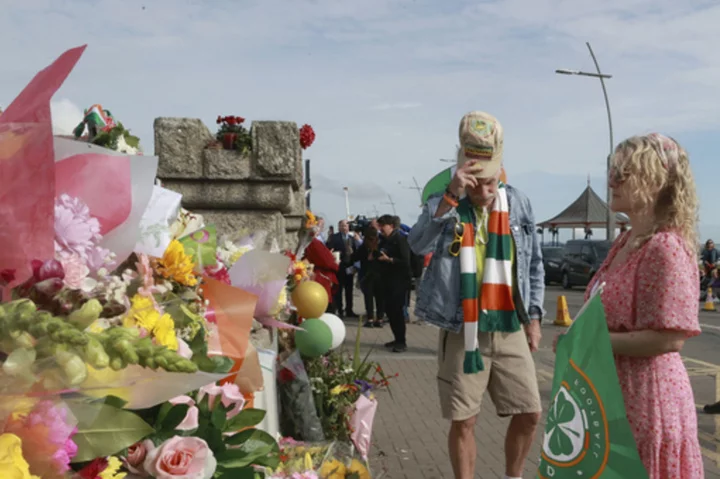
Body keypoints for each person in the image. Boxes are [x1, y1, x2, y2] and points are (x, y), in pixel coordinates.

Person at [408, 111, 544, 479]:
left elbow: (534, 265)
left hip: (509, 323)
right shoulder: (446, 201)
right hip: (463, 328)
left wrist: (533, 318)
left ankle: (513, 476)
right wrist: (451, 196)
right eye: (474, 183)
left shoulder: (518, 203)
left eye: (490, 182)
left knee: (530, 413)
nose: (483, 191)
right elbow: (417, 243)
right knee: (464, 420)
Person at [558, 133, 703, 478]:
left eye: (626, 171)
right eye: (614, 169)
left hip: (646, 400)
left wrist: (588, 341)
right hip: (614, 390)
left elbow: (668, 339)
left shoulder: (664, 247)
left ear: (656, 180)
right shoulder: (627, 240)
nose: (613, 179)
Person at [377, 214, 412, 352]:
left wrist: (390, 260)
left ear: (391, 226)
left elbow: (406, 261)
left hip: (399, 281)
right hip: (388, 280)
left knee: (397, 312)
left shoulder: (400, 238)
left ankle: (401, 342)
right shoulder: (385, 240)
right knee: (390, 311)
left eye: (382, 226)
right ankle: (396, 338)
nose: (380, 229)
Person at [326, 220, 360, 318]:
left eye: (345, 226)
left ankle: (349, 310)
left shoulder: (352, 238)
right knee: (339, 290)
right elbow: (329, 250)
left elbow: (356, 252)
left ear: (348, 227)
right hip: (339, 267)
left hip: (350, 267)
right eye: (341, 226)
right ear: (339, 227)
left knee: (349, 290)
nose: (343, 227)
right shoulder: (334, 238)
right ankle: (339, 309)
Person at [353, 226, 385, 328]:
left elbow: (354, 257)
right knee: (380, 298)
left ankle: (370, 319)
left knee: (369, 298)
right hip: (380, 275)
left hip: (367, 275)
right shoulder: (381, 245)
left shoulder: (364, 247)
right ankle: (380, 319)